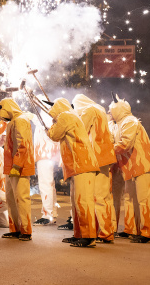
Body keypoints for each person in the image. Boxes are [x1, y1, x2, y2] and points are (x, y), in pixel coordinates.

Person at [47, 97, 100, 248]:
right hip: (78, 165)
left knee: (83, 202)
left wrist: (50, 127)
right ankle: (79, 234)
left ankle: (88, 237)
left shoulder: (65, 116)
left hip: (82, 164)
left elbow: (54, 135)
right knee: (77, 202)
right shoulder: (70, 116)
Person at [110, 95, 150, 243]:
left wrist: (106, 151)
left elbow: (125, 144)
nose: (109, 111)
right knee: (130, 199)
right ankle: (131, 229)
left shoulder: (130, 121)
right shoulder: (119, 123)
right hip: (131, 167)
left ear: (118, 109)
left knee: (144, 200)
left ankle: (147, 232)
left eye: (111, 109)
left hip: (143, 165)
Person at [73, 94, 117, 243]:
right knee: (104, 196)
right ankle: (108, 231)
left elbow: (80, 130)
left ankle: (104, 232)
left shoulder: (89, 111)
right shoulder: (100, 110)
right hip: (105, 156)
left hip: (96, 157)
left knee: (97, 196)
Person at [0, 99, 35, 241]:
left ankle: (25, 231)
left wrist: (17, 165)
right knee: (12, 198)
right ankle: (15, 229)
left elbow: (23, 144)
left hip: (19, 166)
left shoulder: (20, 120)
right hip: (12, 166)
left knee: (21, 198)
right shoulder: (15, 120)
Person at [33, 118, 60, 226]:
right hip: (48, 153)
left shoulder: (43, 116)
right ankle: (52, 213)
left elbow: (48, 127)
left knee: (45, 185)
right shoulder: (45, 115)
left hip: (45, 153)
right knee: (49, 184)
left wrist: (35, 120)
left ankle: (47, 215)